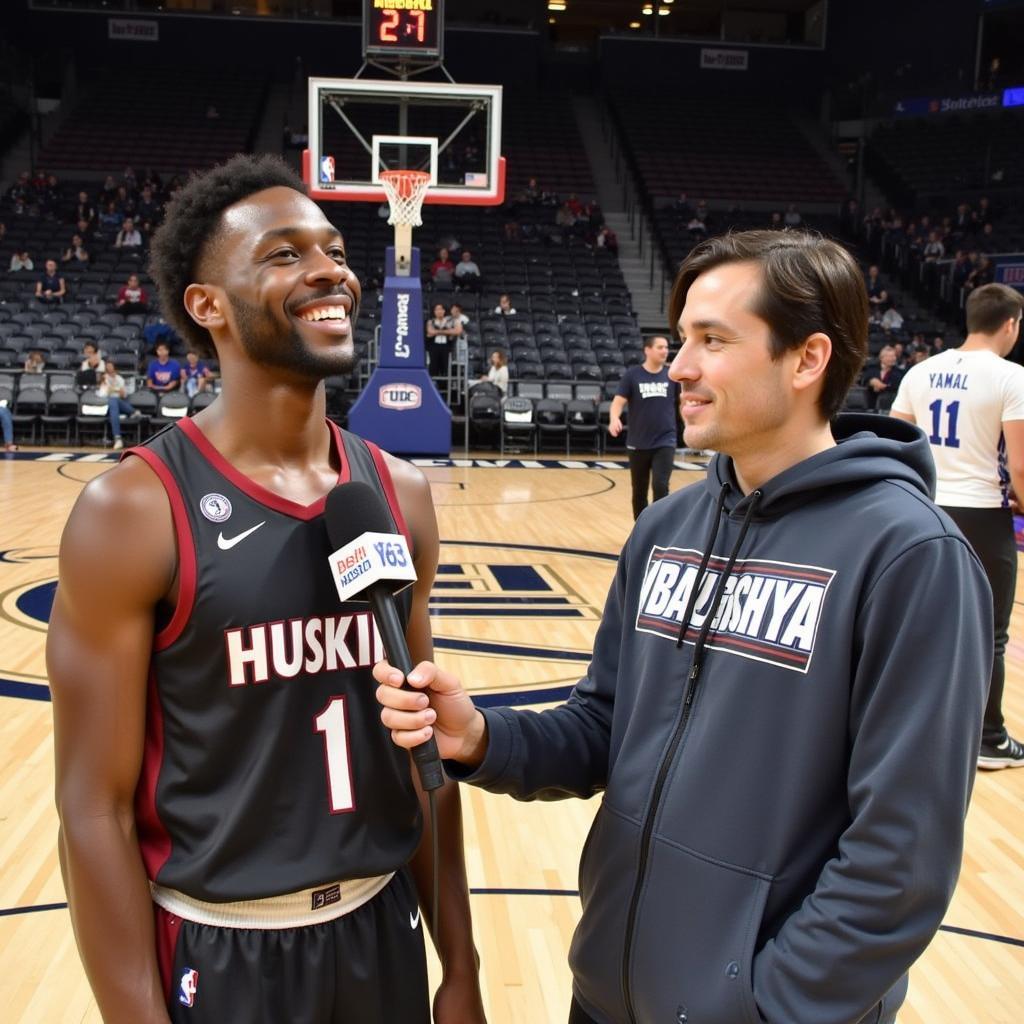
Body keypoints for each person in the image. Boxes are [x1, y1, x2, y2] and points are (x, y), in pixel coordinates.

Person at [375, 229, 991, 1024]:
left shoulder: (911, 555)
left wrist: (762, 1007)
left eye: (713, 341)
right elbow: (604, 724)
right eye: (681, 339)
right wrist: (483, 740)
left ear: (807, 360)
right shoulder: (665, 528)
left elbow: (899, 861)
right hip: (606, 994)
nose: (680, 367)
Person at [48, 153, 484, 1024]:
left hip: (380, 929)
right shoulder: (133, 509)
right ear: (206, 306)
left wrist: (461, 970)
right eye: (284, 255)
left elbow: (423, 756)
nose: (331, 271)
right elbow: (90, 807)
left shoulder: (398, 493)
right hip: (221, 946)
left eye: (331, 250)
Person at [892, 282, 1024, 769]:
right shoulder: (1012, 376)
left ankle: (907, 734)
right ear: (1010, 324)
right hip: (982, 515)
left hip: (922, 508)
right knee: (988, 632)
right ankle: (988, 738)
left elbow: (897, 439)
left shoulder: (921, 370)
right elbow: (1022, 466)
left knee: (919, 627)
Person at [608, 336, 682, 520]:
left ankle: (659, 526)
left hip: (665, 440)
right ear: (647, 350)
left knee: (660, 485)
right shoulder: (633, 375)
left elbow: (682, 404)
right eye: (660, 347)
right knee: (639, 490)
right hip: (638, 442)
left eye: (666, 347)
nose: (665, 350)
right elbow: (618, 402)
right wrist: (614, 418)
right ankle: (641, 528)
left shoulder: (671, 375)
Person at [96, 359, 137, 451]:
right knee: (112, 400)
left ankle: (117, 439)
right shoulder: (104, 378)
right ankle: (133, 412)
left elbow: (123, 394)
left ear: (114, 367)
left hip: (120, 404)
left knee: (114, 401)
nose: (109, 368)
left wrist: (112, 389)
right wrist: (116, 390)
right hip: (106, 406)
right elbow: (103, 393)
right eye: (108, 366)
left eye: (111, 366)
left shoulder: (119, 379)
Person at [860, 343, 904, 411]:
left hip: (889, 405)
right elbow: (863, 379)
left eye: (894, 356)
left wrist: (883, 386)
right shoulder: (872, 368)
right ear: (882, 358)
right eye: (890, 356)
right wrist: (871, 381)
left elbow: (897, 386)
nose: (894, 358)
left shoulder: (898, 372)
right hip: (871, 404)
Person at [425, 302, 458, 380]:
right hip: (434, 347)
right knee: (433, 367)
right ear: (434, 312)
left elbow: (455, 332)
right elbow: (430, 332)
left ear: (444, 311)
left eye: (441, 309)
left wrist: (437, 332)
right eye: (437, 309)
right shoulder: (431, 321)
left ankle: (445, 386)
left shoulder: (449, 321)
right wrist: (446, 331)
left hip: (445, 347)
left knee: (445, 368)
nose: (439, 311)